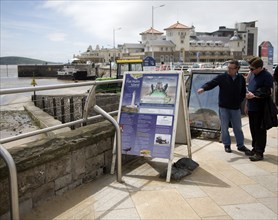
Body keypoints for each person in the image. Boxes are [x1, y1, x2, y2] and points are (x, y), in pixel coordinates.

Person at [197, 59, 251, 154]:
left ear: (237, 69)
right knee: (224, 127)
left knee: (237, 127)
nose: (229, 70)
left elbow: (243, 91)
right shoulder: (222, 77)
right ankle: (227, 145)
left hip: (235, 108)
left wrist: (239, 101)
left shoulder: (241, 78)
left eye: (231, 68)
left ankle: (241, 145)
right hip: (224, 107)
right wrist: (203, 88)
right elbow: (212, 83)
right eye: (228, 68)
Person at [245, 56, 274, 161]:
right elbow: (249, 88)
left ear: (260, 67)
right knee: (253, 129)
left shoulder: (267, 76)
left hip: (261, 108)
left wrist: (254, 95)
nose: (250, 71)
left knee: (260, 130)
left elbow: (267, 91)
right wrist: (247, 104)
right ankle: (254, 148)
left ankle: (259, 152)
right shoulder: (253, 74)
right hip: (252, 106)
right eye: (250, 69)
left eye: (252, 69)